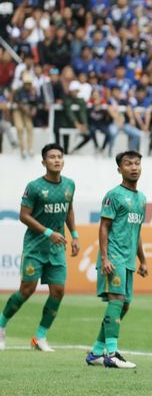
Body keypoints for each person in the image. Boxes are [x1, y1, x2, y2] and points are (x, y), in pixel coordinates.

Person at [0, 144, 79, 352]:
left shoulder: (70, 185)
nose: (56, 160)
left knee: (58, 291)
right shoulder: (34, 187)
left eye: (59, 157)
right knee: (27, 289)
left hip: (57, 248)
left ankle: (40, 337)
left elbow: (69, 210)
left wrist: (75, 235)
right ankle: (1, 325)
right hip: (35, 246)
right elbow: (23, 215)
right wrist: (48, 233)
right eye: (51, 157)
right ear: (44, 162)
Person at [85, 151, 148, 369]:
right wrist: (104, 258)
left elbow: (137, 231)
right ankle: (111, 354)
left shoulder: (141, 199)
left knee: (125, 305)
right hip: (113, 257)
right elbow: (104, 226)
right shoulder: (114, 195)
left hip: (128, 260)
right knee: (117, 301)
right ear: (119, 169)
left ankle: (95, 353)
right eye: (128, 164)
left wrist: (143, 260)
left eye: (137, 163)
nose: (134, 167)